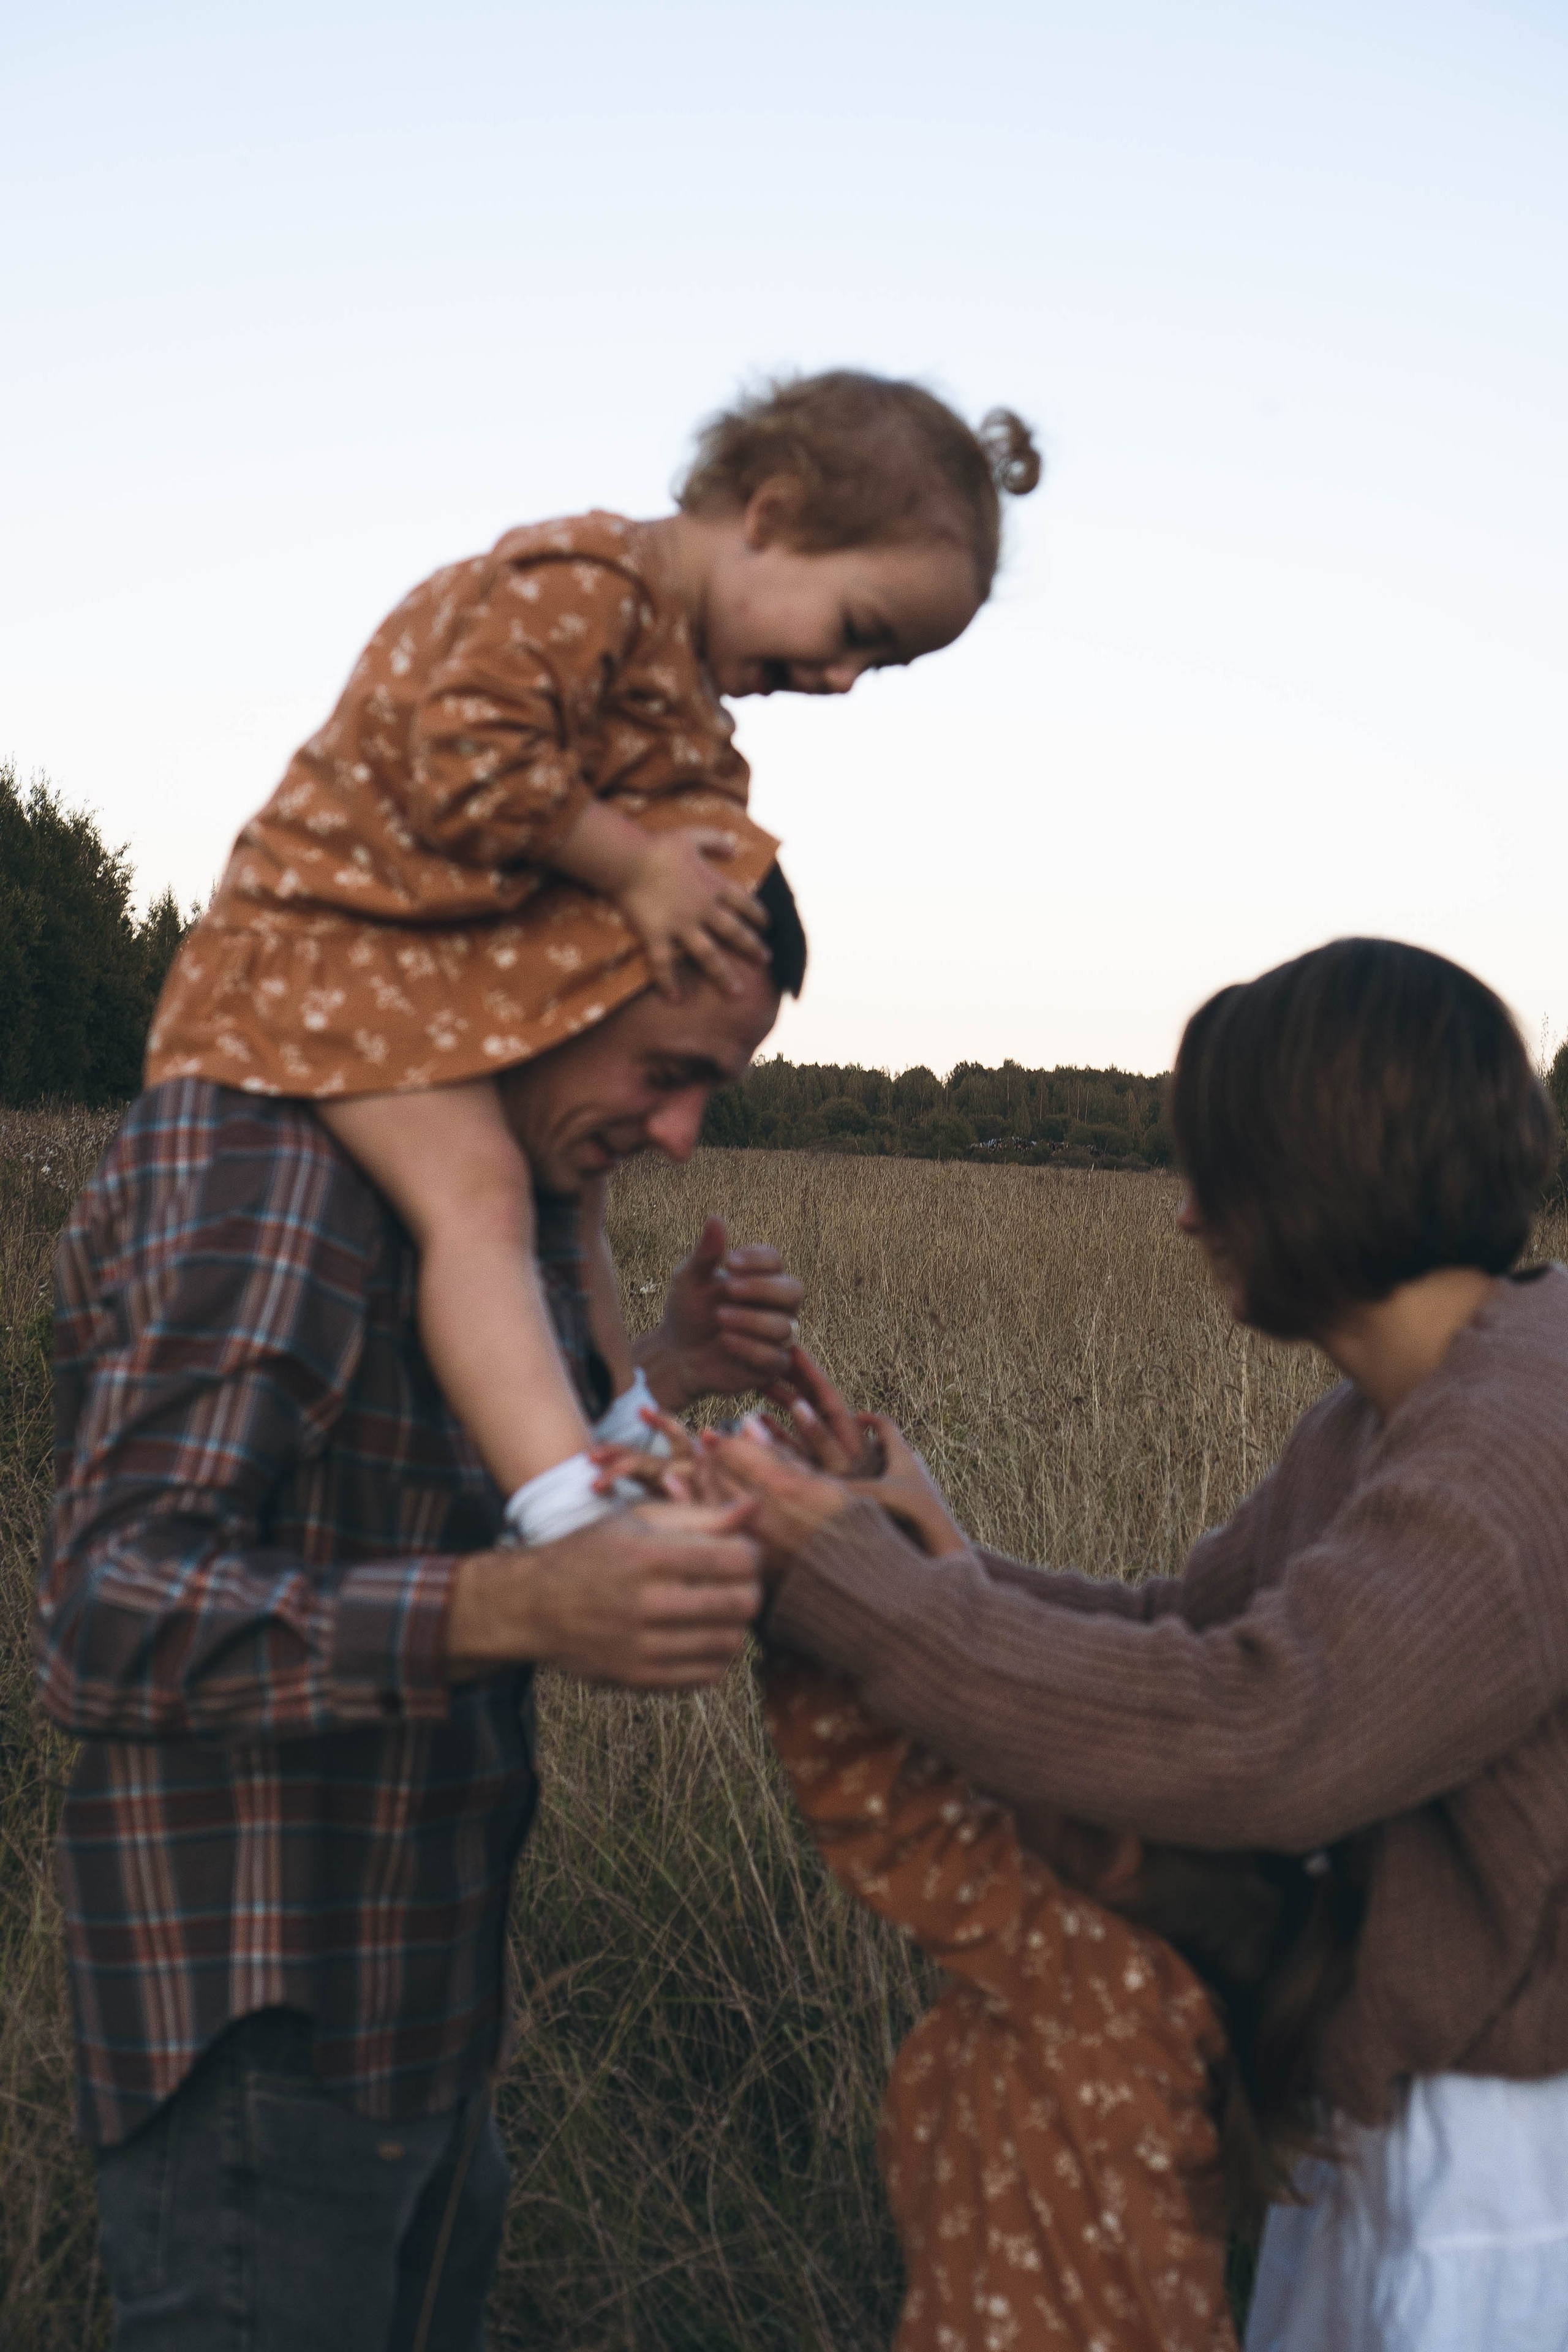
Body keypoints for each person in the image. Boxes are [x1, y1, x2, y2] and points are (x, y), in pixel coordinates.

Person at [696, 938, 1568, 2352]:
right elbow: (1190, 1630)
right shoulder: (1394, 1411)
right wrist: (931, 1550)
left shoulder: (1518, 1441)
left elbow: (1262, 1732)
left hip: (1509, 2174)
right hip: (1404, 2123)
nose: (1181, 1218)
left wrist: (848, 1588)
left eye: (1210, 1169)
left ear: (1314, 1170)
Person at [36, 881, 807, 2352]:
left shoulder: (492, 1188)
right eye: (666, 1070)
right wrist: (508, 1607)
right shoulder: (265, 1170)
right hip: (261, 2034)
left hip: (421, 2011)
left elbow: (444, 1476)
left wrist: (665, 1373)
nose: (680, 1135)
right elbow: (98, 1614)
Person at [145, 371, 1042, 1548]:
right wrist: (632, 867)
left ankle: (616, 1424)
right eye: (855, 631)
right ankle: (568, 1506)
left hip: (432, 981)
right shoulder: (585, 587)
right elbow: (460, 757)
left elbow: (722, 868)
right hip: (321, 960)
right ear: (766, 518)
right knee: (480, 1193)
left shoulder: (692, 721)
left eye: (883, 668)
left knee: (564, 1199)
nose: (840, 681)